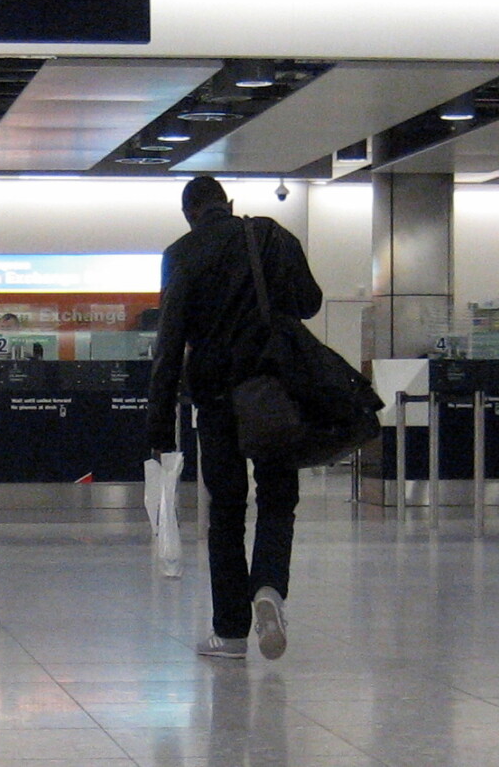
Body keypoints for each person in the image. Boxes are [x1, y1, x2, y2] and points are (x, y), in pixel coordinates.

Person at [146, 176, 322, 661]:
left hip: (217, 399)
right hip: (272, 391)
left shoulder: (181, 253)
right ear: (229, 203)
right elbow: (310, 301)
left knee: (225, 513)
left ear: (189, 215)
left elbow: (169, 343)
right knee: (277, 499)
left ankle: (230, 632)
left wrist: (159, 425)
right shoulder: (272, 235)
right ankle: (268, 589)